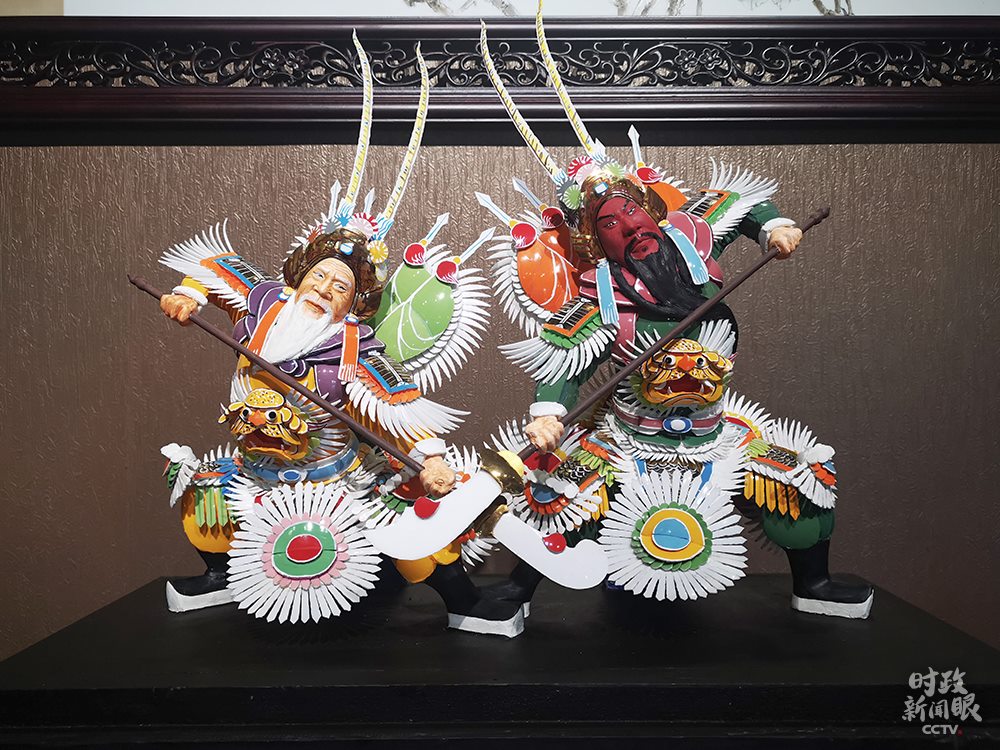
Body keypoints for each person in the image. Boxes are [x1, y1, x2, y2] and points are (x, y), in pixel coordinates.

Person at [477, 10, 873, 619]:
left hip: (717, 431)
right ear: (596, 241)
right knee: (557, 492)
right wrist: (548, 416)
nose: (628, 226)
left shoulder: (695, 236)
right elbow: (561, 366)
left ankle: (813, 586)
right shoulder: (596, 299)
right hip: (628, 437)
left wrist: (776, 227)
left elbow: (745, 204)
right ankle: (518, 591)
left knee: (802, 486)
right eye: (610, 224)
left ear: (651, 210)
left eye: (632, 212)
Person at [154, 38, 524, 634]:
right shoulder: (264, 301)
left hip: (335, 474)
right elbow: (215, 267)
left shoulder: (355, 348)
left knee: (411, 520)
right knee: (205, 498)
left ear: (355, 302)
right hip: (255, 467)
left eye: (341, 287)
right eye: (320, 276)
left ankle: (460, 599)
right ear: (301, 274)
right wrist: (187, 296)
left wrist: (431, 459)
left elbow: (399, 406)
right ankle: (222, 576)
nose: (325, 288)